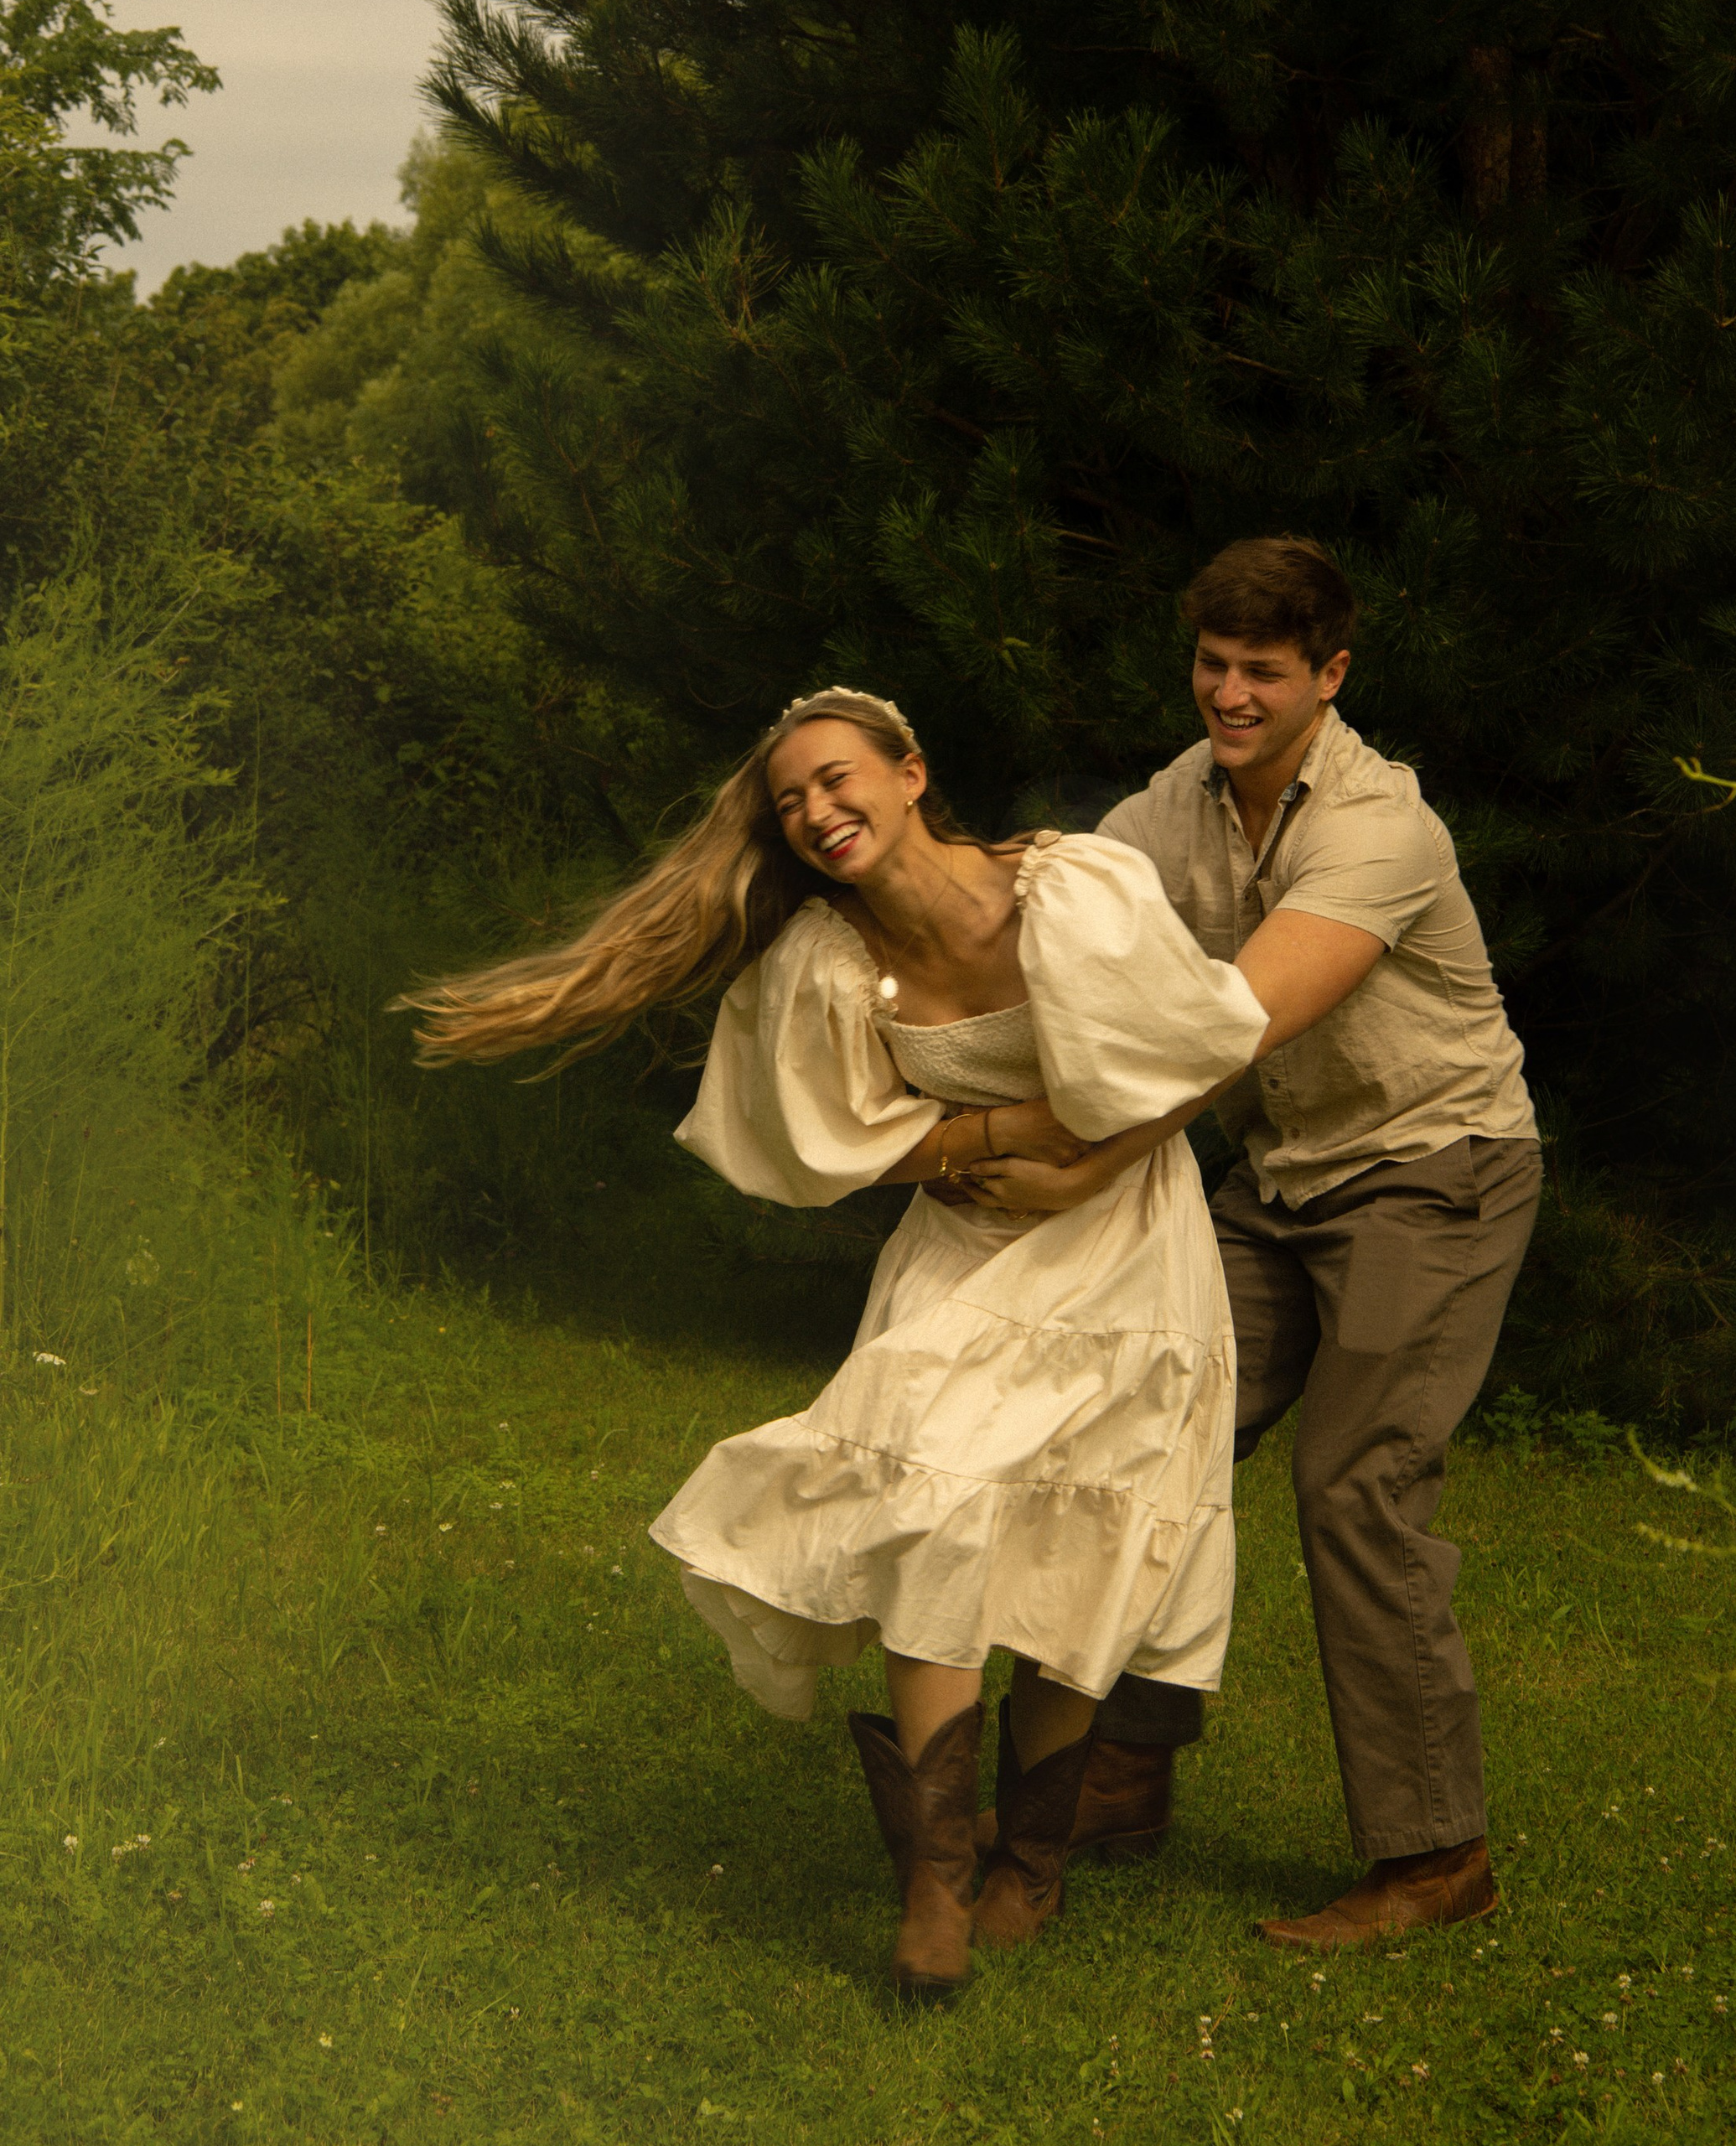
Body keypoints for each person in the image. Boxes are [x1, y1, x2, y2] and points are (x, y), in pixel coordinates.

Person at [398, 687, 1297, 1999]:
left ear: (910, 773)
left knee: (1088, 1534)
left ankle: (1030, 1861)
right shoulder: (825, 958)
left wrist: (1084, 1164)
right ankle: (935, 1874)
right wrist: (1001, 1135)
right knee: (924, 1510)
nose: (817, 812)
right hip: (967, 1248)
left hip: (1128, 1243)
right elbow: (831, 1144)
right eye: (790, 803)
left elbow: (1202, 1050)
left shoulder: (1075, 890)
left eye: (836, 779)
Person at [987, 538, 1542, 1952]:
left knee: (1355, 1485)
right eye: (1213, 664)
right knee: (1145, 1427)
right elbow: (1043, 911)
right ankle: (1121, 1774)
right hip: (1284, 1179)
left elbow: (1232, 1023)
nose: (1230, 694)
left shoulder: (1383, 827)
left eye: (1265, 672)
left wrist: (1071, 1152)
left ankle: (1436, 1857)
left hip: (1434, 1171)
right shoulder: (1176, 800)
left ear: (1330, 676)